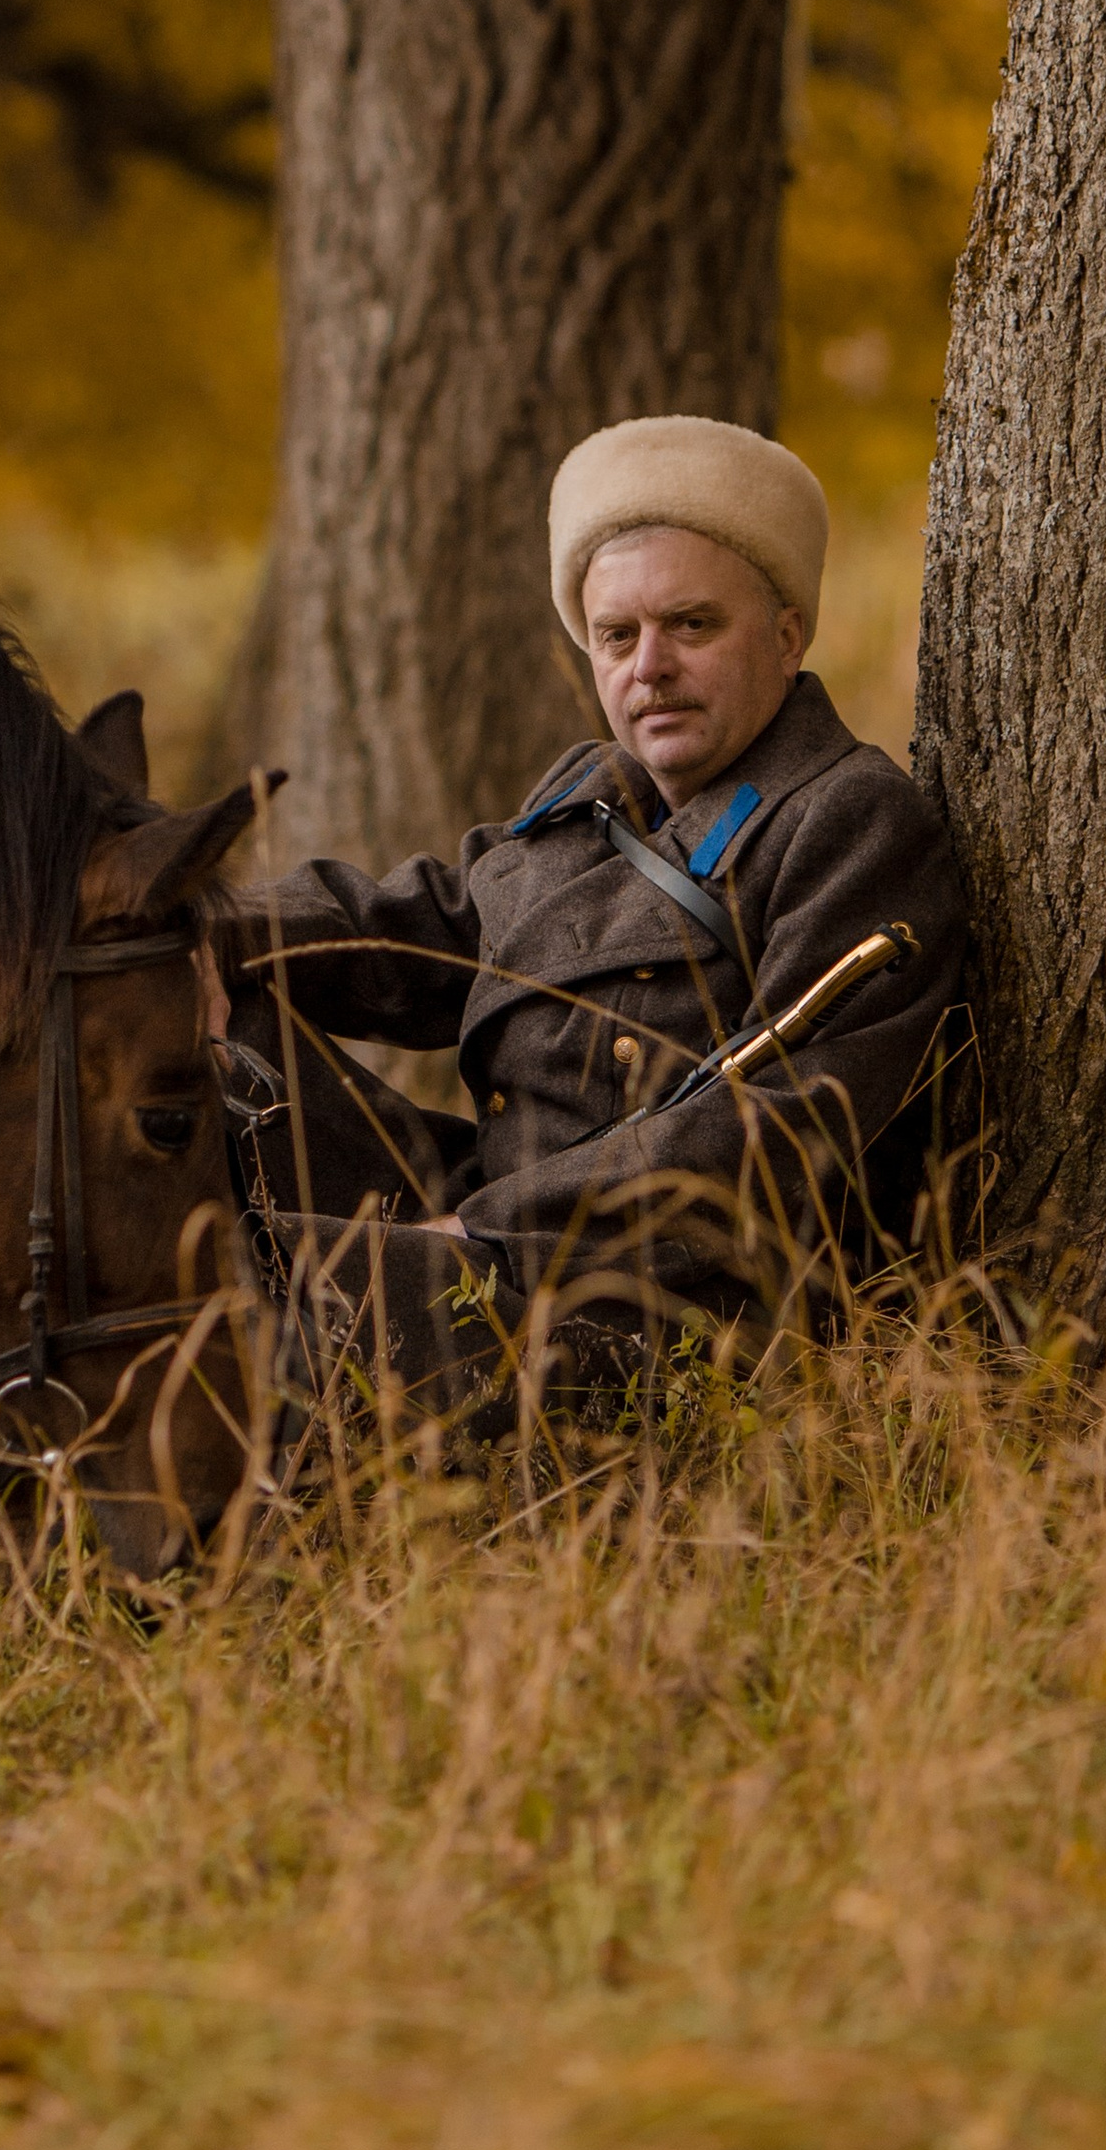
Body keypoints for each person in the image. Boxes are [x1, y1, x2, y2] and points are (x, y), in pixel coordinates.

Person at [224, 414, 969, 1423]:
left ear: (788, 634)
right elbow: (423, 926)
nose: (646, 666)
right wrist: (198, 934)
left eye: (691, 626)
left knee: (218, 1302)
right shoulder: (595, 790)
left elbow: (772, 1127)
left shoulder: (847, 819)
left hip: (647, 1306)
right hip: (484, 1224)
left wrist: (488, 1233)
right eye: (616, 636)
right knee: (190, 1051)